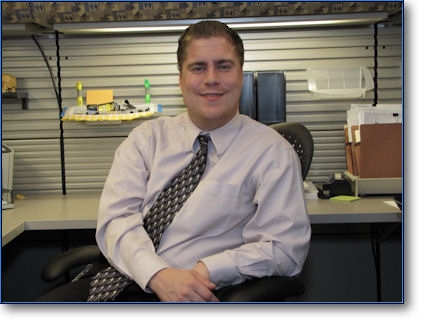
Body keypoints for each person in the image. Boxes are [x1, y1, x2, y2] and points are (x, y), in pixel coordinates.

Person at [38, 20, 310, 302]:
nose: (211, 78)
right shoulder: (146, 138)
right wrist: (157, 275)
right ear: (180, 79)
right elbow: (116, 219)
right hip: (127, 275)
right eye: (198, 67)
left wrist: (209, 269)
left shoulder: (272, 153)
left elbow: (284, 248)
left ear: (240, 75)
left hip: (200, 289)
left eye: (224, 66)